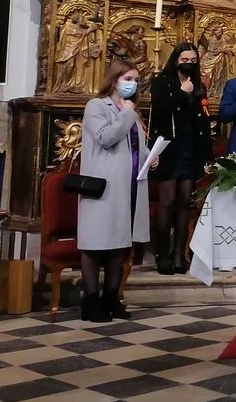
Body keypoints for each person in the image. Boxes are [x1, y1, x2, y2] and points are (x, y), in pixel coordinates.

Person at [78, 60, 156, 322]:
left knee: (119, 244)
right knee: (96, 242)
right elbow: (106, 138)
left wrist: (151, 156)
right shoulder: (97, 107)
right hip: (104, 185)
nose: (132, 84)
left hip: (130, 185)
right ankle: (90, 300)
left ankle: (111, 297)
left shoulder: (133, 113)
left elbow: (134, 146)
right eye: (128, 79)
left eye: (136, 80)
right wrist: (127, 114)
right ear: (114, 81)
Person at [148, 43, 212, 275]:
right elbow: (160, 111)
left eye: (193, 60)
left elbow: (203, 119)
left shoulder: (199, 86)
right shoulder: (161, 82)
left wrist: (206, 154)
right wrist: (180, 93)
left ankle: (178, 255)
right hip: (168, 148)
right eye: (185, 59)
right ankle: (162, 254)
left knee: (185, 201)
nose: (189, 63)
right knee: (167, 201)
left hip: (189, 148)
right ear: (176, 59)